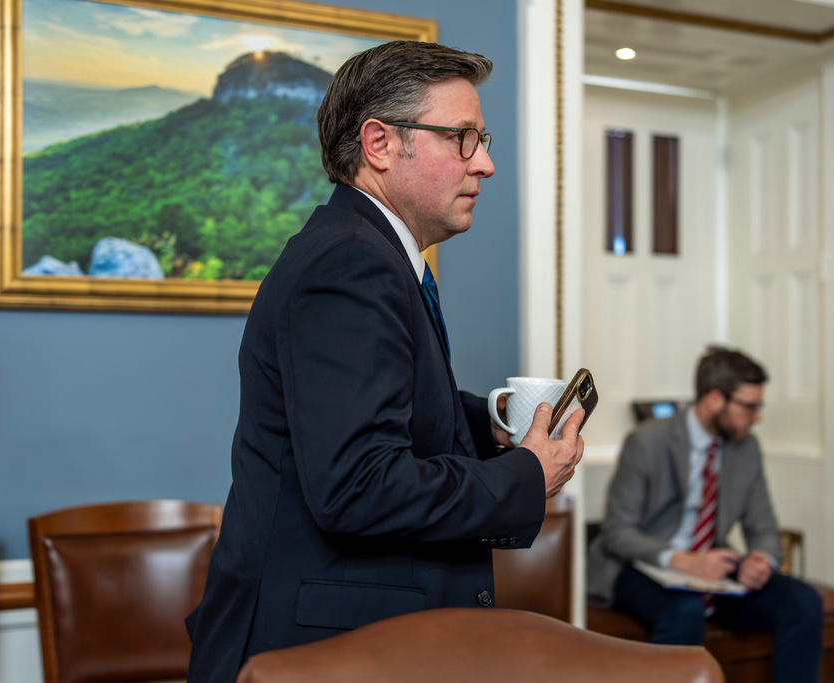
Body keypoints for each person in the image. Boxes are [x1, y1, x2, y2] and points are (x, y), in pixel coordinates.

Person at [185, 41, 584, 683]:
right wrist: (525, 477)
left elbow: (386, 402)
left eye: (482, 139)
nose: (483, 163)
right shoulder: (352, 263)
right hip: (324, 649)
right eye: (461, 138)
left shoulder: (368, 251)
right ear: (379, 144)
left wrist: (495, 422)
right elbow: (358, 485)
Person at [586, 346, 823, 683]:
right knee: (684, 609)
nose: (758, 417)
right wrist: (681, 560)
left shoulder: (747, 448)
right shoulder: (647, 441)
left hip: (710, 565)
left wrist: (762, 560)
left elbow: (764, 527)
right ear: (714, 399)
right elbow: (617, 531)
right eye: (750, 406)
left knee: (802, 601)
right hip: (641, 565)